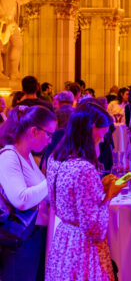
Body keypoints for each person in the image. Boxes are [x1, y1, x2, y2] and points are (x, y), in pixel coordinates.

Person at [45, 102, 126, 281]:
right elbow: (93, 228)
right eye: (102, 133)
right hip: (82, 247)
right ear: (90, 130)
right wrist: (109, 196)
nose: (103, 140)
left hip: (63, 239)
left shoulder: (55, 159)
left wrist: (99, 189)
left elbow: (69, 199)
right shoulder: (84, 168)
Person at [0, 106, 57, 281]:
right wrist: (53, 178)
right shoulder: (9, 157)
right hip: (21, 240)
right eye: (49, 134)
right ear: (34, 131)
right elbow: (21, 200)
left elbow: (40, 194)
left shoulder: (27, 155)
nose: (50, 141)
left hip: (33, 236)